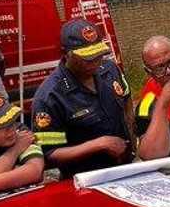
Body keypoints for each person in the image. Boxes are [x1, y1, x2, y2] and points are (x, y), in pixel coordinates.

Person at [31, 19, 133, 177]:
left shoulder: (110, 69)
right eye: (87, 58)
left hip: (127, 167)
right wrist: (99, 144)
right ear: (66, 54)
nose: (95, 62)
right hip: (87, 178)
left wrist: (132, 136)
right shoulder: (49, 97)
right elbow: (50, 153)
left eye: (98, 54)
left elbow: (126, 100)